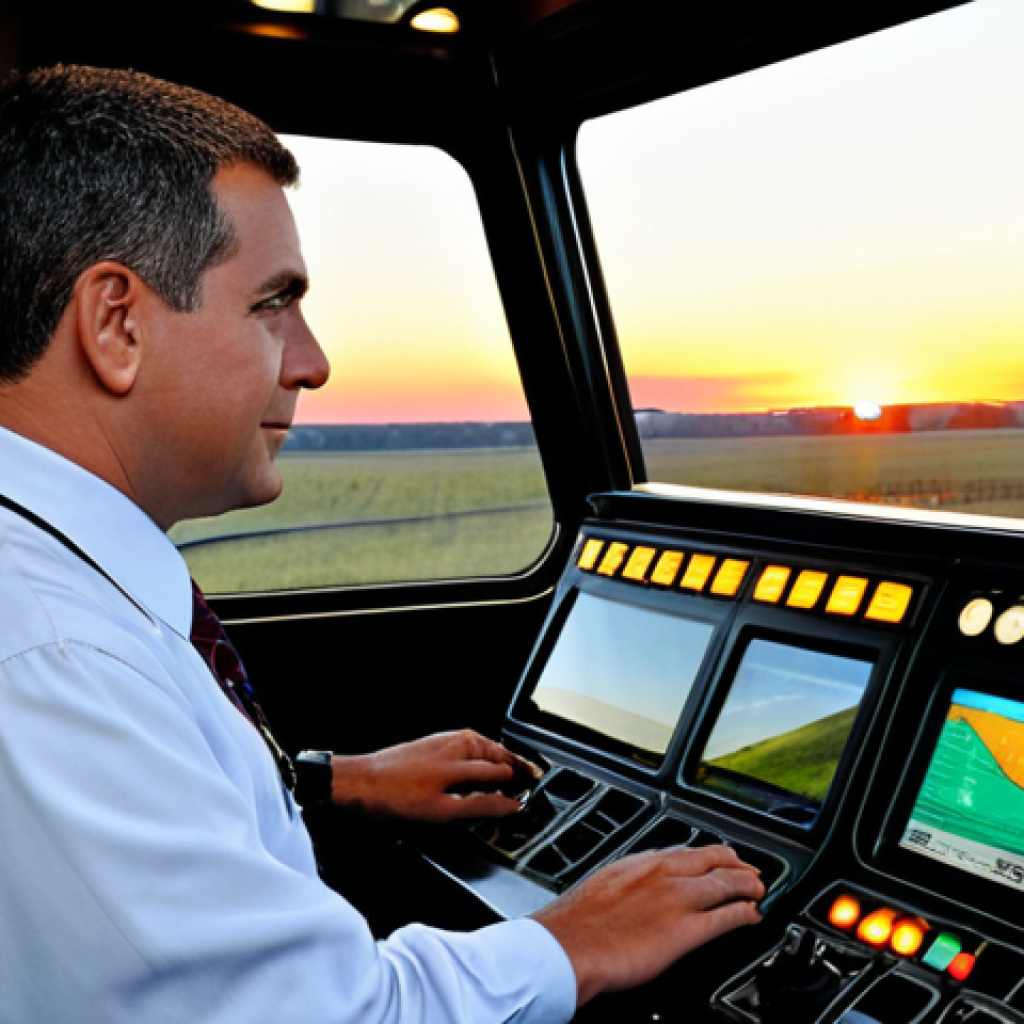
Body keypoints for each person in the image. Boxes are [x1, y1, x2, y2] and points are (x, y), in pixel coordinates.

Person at [0, 64, 764, 1023]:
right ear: (116, 325)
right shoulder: (59, 659)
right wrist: (572, 943)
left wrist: (326, 786)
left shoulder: (57, 591)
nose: (313, 362)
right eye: (273, 302)